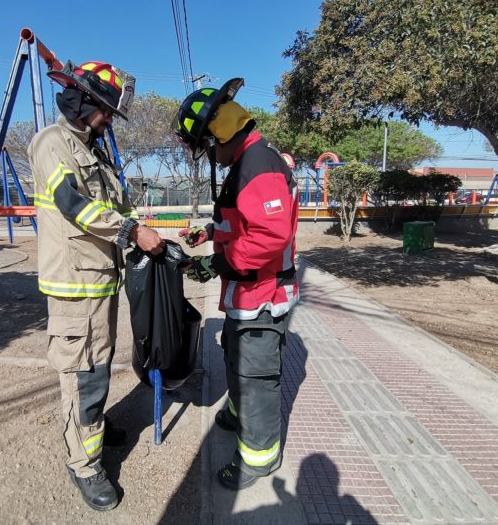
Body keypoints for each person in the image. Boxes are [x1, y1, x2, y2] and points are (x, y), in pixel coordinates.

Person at [28, 60, 164, 512]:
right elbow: (74, 205)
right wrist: (131, 234)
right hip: (74, 286)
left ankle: (94, 430)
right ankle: (84, 465)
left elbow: (114, 206)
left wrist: (139, 227)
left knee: (97, 367)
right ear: (82, 101)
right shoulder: (53, 144)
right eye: (104, 110)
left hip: (98, 281)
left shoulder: (92, 146)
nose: (108, 120)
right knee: (84, 376)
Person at [173, 78, 299, 491]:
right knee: (237, 359)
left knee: (256, 378)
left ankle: (258, 458)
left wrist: (217, 262)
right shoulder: (246, 161)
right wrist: (209, 233)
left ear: (218, 135)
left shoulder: (257, 165)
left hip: (263, 298)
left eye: (207, 148)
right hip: (246, 295)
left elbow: (268, 236)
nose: (212, 158)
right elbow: (241, 223)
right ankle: (237, 413)